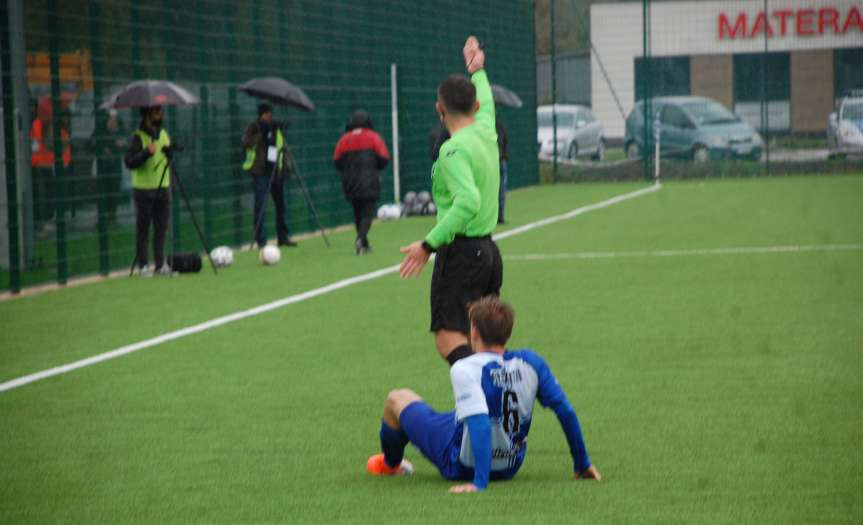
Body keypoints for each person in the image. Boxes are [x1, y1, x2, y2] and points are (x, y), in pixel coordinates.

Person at [366, 296, 601, 492]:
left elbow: (479, 424)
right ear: (508, 332)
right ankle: (580, 467)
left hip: (461, 464)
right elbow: (566, 411)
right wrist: (582, 462)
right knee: (461, 415)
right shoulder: (531, 362)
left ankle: (391, 465)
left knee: (397, 398)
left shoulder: (466, 368)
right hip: (510, 465)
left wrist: (479, 483)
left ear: (474, 331)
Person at [399, 36, 503, 366]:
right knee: (480, 342)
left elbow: (468, 201)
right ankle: (490, 406)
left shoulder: (452, 149)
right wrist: (478, 69)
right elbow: (486, 98)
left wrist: (428, 245)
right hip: (488, 254)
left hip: (461, 255)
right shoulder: (486, 128)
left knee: (449, 339)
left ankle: (482, 407)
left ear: (439, 109)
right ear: (474, 108)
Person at [333, 110, 391, 254]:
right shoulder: (373, 137)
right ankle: (360, 239)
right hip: (369, 181)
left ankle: (364, 244)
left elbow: (336, 161)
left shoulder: (344, 139)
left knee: (357, 213)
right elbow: (384, 159)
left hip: (350, 183)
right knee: (368, 214)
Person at [124, 105, 173, 277]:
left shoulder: (164, 134)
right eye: (157, 111)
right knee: (143, 229)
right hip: (143, 190)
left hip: (163, 187)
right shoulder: (137, 137)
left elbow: (167, 156)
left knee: (161, 228)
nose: (161, 114)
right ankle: (143, 265)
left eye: (161, 111)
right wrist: (146, 153)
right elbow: (129, 162)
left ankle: (160, 265)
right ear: (147, 114)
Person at [242, 103, 296, 249]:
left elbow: (281, 147)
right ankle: (261, 241)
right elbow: (246, 142)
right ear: (262, 114)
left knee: (282, 206)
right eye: (268, 113)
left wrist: (286, 167)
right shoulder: (254, 127)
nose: (271, 116)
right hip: (261, 173)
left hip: (276, 171)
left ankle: (283, 237)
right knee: (260, 207)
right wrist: (262, 135)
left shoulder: (275, 127)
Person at [90, 109, 126, 224]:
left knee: (114, 190)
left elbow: (126, 146)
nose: (113, 122)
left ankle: (112, 216)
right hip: (103, 165)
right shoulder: (100, 130)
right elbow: (92, 144)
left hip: (115, 165)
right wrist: (103, 148)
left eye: (115, 120)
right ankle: (103, 217)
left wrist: (121, 145)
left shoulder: (122, 131)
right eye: (111, 120)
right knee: (102, 191)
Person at [496, 118, 509, 224]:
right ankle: (499, 217)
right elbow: (505, 141)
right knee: (501, 190)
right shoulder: (499, 125)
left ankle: (498, 216)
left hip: (497, 161)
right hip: (499, 161)